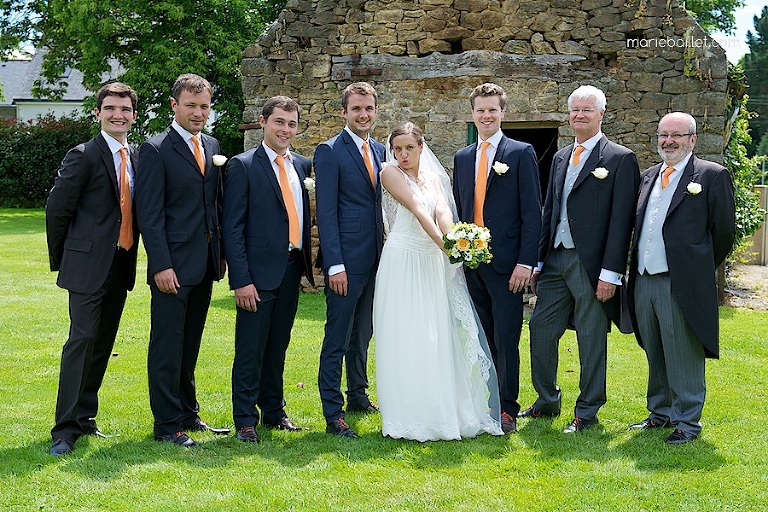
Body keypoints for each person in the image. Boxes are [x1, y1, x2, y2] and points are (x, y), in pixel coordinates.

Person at [374, 122, 503, 441]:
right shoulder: (389, 173)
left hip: (432, 262)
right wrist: (448, 248)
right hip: (403, 259)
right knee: (405, 335)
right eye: (398, 148)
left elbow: (442, 213)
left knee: (436, 334)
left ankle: (441, 410)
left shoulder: (433, 177)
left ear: (421, 147)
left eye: (409, 148)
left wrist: (460, 240)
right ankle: (406, 415)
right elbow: (419, 210)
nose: (403, 154)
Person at [523, 85, 640, 433]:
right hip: (556, 259)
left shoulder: (620, 158)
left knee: (590, 338)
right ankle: (547, 399)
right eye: (574, 109)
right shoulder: (560, 157)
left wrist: (612, 273)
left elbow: (622, 223)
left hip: (592, 266)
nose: (579, 115)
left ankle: (587, 412)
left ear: (601, 114)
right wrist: (539, 262)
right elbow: (551, 212)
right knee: (540, 328)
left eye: (587, 110)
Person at [627, 112, 735, 444]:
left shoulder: (711, 175)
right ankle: (660, 412)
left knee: (683, 350)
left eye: (676, 135)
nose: (668, 141)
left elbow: (724, 233)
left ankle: (687, 422)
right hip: (644, 278)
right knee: (654, 347)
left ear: (692, 139)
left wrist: (696, 267)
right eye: (663, 135)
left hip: (681, 281)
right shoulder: (647, 177)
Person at [45, 82, 140, 456]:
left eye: (125, 109)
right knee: (81, 341)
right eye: (111, 108)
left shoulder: (137, 157)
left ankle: (85, 417)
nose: (118, 115)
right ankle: (64, 430)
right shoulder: (82, 154)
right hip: (86, 266)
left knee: (102, 344)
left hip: (121, 262)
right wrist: (65, 258)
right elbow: (57, 210)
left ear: (134, 115)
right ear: (98, 113)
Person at [136, 73, 229, 447]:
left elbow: (214, 205)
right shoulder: (155, 148)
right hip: (171, 267)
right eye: (191, 105)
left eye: (204, 106)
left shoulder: (211, 144)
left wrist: (219, 254)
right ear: (174, 105)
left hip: (204, 263)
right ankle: (166, 425)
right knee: (167, 346)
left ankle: (189, 414)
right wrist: (161, 264)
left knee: (190, 344)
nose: (198, 112)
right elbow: (150, 213)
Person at [222, 96, 315, 443]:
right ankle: (245, 419)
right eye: (279, 122)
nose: (286, 130)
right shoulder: (242, 165)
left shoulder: (302, 165)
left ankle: (274, 411)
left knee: (278, 345)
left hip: (292, 267)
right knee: (250, 348)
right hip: (257, 274)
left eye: (291, 124)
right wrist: (241, 280)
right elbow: (232, 227)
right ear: (263, 122)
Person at [452, 82, 542, 434]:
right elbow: (461, 208)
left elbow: (533, 213)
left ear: (503, 113)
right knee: (482, 337)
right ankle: (487, 403)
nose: (486, 115)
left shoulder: (520, 153)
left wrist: (526, 262)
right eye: (480, 110)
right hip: (471, 263)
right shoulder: (462, 158)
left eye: (492, 110)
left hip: (508, 265)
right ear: (472, 114)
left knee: (506, 338)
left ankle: (506, 407)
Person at [315, 82, 385, 438]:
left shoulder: (381, 150)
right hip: (346, 261)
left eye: (368, 108)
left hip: (378, 258)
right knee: (338, 335)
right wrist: (335, 264)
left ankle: (358, 394)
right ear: (343, 112)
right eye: (356, 109)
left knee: (364, 333)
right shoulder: (329, 151)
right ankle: (333, 411)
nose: (363, 115)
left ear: (376, 110)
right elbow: (326, 212)